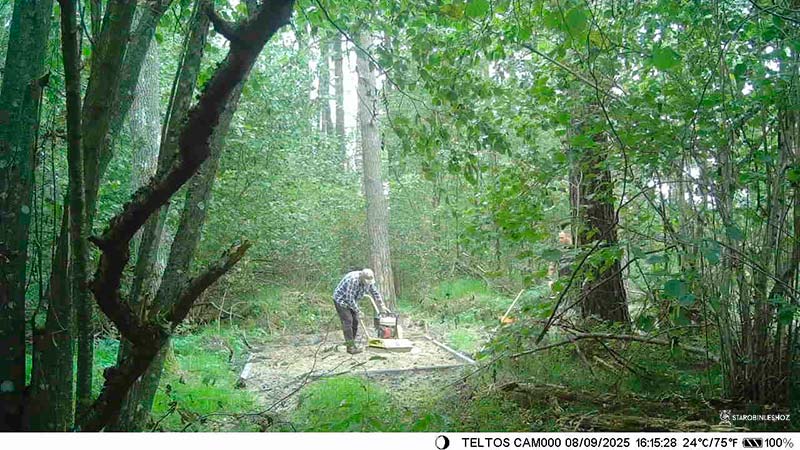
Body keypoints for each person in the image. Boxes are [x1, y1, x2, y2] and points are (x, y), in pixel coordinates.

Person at [333, 268, 388, 354]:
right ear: (362, 278)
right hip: (341, 300)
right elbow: (349, 298)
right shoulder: (353, 280)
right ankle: (350, 347)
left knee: (355, 322)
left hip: (352, 300)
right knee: (348, 320)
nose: (368, 284)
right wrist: (358, 311)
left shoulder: (369, 281)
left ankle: (352, 343)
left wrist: (382, 305)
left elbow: (375, 292)